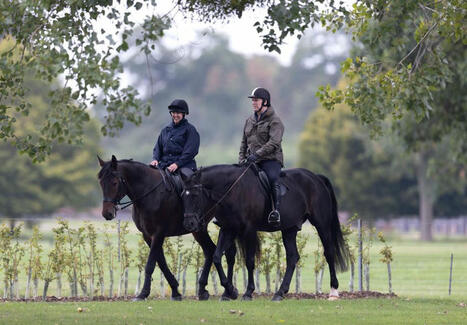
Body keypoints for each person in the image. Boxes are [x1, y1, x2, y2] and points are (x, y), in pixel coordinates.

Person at [239, 87, 285, 225]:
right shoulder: (249, 120)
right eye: (252, 100)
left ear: (265, 102)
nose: (253, 103)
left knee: (272, 179)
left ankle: (275, 211)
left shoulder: (275, 121)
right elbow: (243, 142)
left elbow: (274, 143)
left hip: (270, 160)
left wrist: (257, 155)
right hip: (251, 160)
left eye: (256, 100)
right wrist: (241, 159)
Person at [150, 99, 200, 176]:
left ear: (183, 114)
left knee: (188, 182)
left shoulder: (190, 130)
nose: (175, 115)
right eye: (173, 112)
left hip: (184, 166)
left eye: (178, 113)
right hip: (164, 165)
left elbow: (190, 152)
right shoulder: (165, 130)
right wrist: (155, 159)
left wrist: (177, 164)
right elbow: (158, 148)